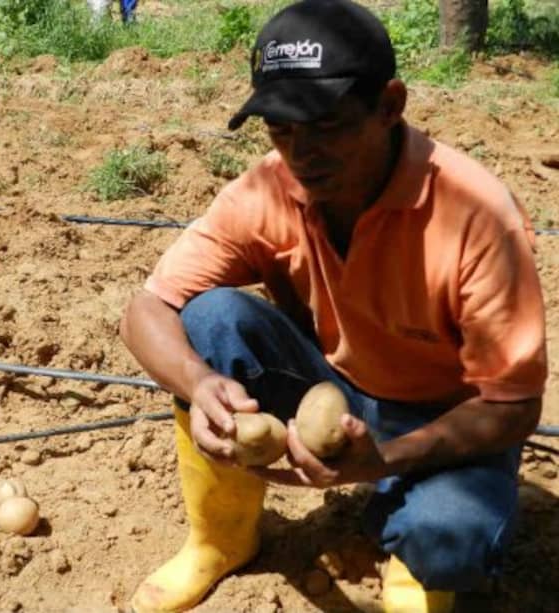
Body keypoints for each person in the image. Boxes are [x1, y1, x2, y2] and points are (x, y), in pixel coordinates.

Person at [118, 1, 547, 612]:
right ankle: (220, 540)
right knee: (209, 319)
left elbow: (513, 405)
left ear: (390, 105)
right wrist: (200, 383)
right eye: (282, 130)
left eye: (326, 126)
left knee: (449, 538)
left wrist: (381, 461)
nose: (302, 153)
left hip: (448, 418)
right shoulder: (268, 190)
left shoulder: (475, 217)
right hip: (336, 389)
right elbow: (145, 309)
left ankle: (415, 566)